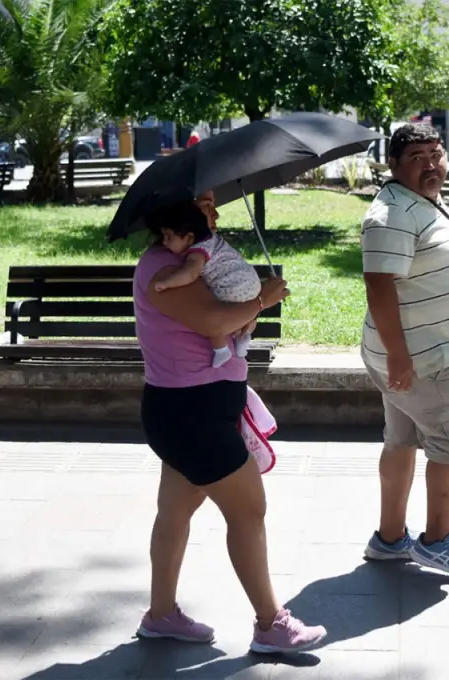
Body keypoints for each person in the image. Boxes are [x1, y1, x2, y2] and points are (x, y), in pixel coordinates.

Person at [133, 192, 326, 653]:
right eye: (204, 207)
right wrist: (263, 299)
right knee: (248, 511)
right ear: (178, 215)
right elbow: (213, 320)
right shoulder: (164, 267)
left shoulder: (189, 257)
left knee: (176, 513)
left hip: (193, 408)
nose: (215, 214)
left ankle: (161, 616)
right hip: (191, 414)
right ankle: (270, 625)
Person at [359, 123, 449, 576]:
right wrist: (399, 356)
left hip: (418, 356)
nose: (430, 164)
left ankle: (390, 539)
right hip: (424, 361)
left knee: (401, 441)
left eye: (436, 154)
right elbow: (378, 287)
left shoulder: (420, 202)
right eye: (417, 157)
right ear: (393, 165)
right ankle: (438, 541)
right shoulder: (391, 214)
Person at [152, 203, 260, 368]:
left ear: (189, 238)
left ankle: (220, 348)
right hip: (251, 281)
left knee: (211, 311)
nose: (165, 243)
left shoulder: (197, 252)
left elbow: (190, 274)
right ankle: (243, 335)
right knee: (238, 309)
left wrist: (167, 282)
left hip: (232, 286)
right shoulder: (212, 239)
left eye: (168, 236)